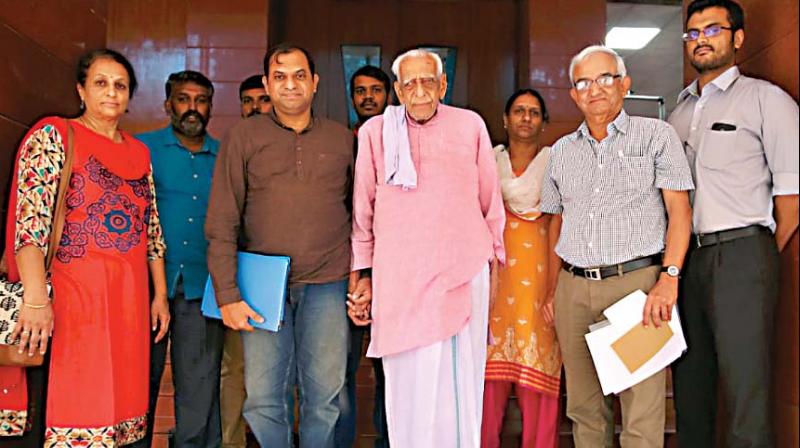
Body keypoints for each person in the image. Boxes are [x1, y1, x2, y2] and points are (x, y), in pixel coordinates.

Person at [0, 48, 169, 446]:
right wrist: (37, 302)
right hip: (69, 302)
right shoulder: (56, 134)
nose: (111, 92)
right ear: (81, 89)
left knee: (120, 413)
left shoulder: (140, 152)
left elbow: (152, 230)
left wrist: (159, 294)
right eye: (100, 83)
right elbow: (31, 223)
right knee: (67, 406)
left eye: (120, 85)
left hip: (126, 304)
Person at [349, 48, 505, 447]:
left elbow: (491, 201)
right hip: (400, 280)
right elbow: (363, 210)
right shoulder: (374, 133)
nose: (419, 92)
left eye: (428, 82)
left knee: (459, 386)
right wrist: (362, 274)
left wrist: (495, 264)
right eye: (410, 84)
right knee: (407, 387)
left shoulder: (469, 125)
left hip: (462, 272)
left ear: (443, 85)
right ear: (397, 90)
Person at [539, 45, 694, 448]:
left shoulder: (656, 136)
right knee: (585, 411)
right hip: (573, 288)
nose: (595, 89)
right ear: (573, 94)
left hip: (636, 287)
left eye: (606, 78)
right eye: (584, 82)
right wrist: (553, 289)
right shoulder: (560, 153)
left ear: (625, 84)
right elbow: (555, 223)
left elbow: (679, 212)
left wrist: (669, 280)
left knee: (641, 412)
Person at [205, 44, 354, 448]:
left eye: (300, 75)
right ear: (268, 84)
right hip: (260, 287)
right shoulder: (243, 137)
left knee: (325, 396)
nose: (291, 85)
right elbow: (222, 218)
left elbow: (360, 215)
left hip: (328, 281)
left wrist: (361, 278)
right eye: (281, 76)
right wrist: (227, 294)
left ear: (315, 82)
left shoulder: (341, 139)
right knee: (264, 397)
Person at [668, 1, 799, 446]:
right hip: (687, 263)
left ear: (737, 38)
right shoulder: (677, 115)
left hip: (744, 256)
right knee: (691, 386)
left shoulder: (768, 101)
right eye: (692, 33)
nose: (701, 39)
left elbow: (791, 200)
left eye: (712, 29)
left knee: (747, 389)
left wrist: (751, 255)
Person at [137, 70, 223, 448]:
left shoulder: (224, 157)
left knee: (198, 387)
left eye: (201, 100)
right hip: (143, 287)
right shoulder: (141, 150)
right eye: (183, 99)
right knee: (139, 382)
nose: (192, 108)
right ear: (167, 103)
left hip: (203, 287)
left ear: (210, 106)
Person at [481, 89, 561, 448]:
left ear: (543, 122)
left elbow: (564, 224)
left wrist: (556, 289)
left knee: (540, 383)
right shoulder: (486, 163)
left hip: (542, 281)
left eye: (533, 112)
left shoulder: (556, 164)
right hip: (493, 284)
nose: (525, 117)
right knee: (485, 388)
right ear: (505, 119)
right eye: (518, 111)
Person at [335, 64, 391, 448]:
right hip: (343, 269)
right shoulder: (338, 141)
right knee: (340, 369)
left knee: (391, 371)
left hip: (393, 268)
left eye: (375, 90)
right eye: (360, 91)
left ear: (390, 94)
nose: (368, 97)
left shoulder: (402, 141)